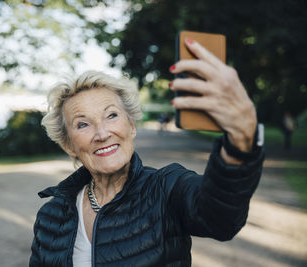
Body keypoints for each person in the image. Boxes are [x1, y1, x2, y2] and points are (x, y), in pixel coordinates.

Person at [30, 38, 265, 266]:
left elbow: (220, 219)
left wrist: (241, 139)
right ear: (69, 146)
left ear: (131, 126)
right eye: (83, 124)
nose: (102, 133)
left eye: (111, 115)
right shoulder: (51, 216)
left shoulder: (166, 187)